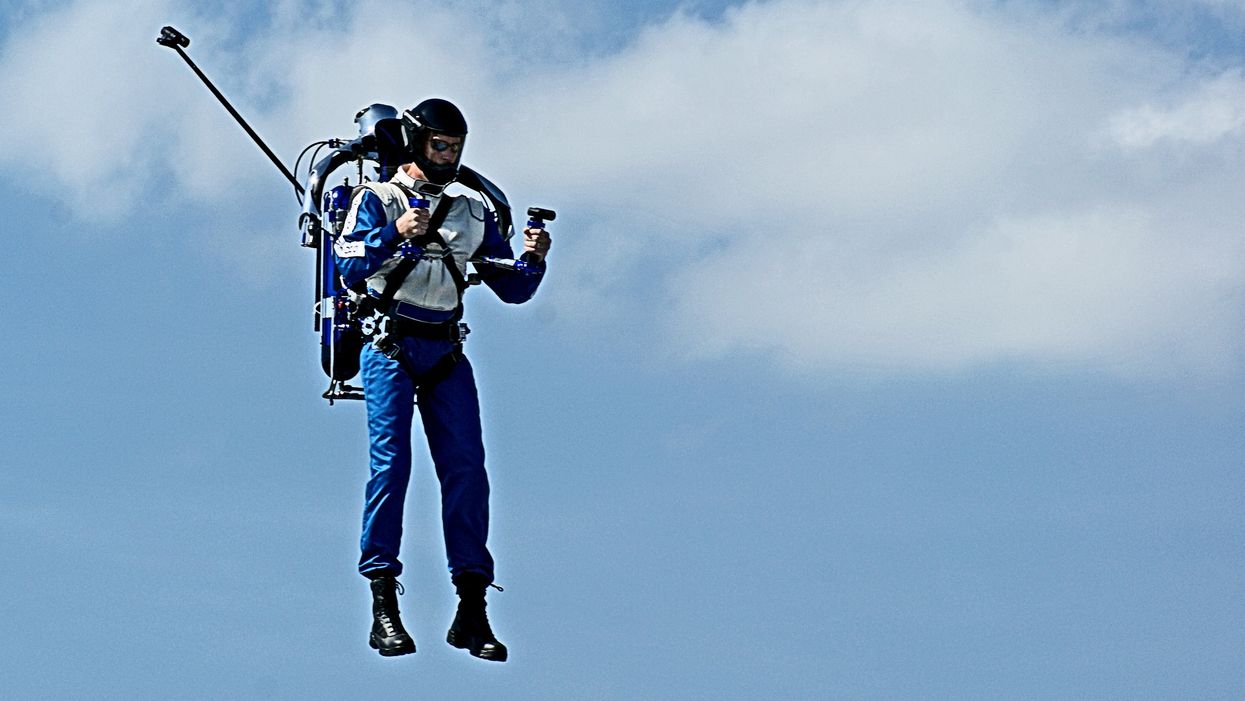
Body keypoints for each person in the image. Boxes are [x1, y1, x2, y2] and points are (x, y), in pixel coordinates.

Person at [332, 97, 550, 661]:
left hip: (447, 352)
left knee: (468, 472)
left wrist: (534, 258)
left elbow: (513, 289)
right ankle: (384, 601)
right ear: (415, 142)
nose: (448, 157)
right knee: (392, 465)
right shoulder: (375, 199)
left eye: (455, 148)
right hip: (391, 343)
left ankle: (471, 609)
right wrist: (396, 232)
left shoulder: (470, 211)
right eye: (439, 146)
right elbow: (348, 264)